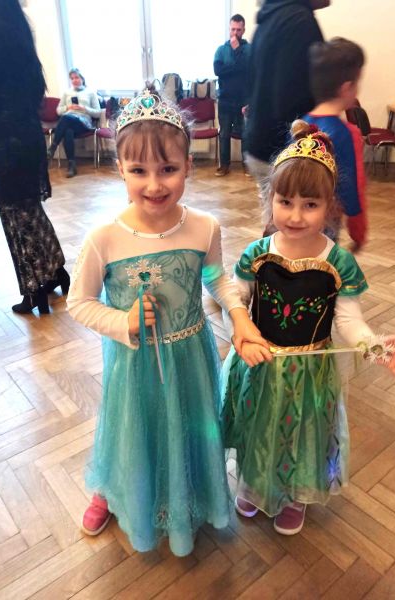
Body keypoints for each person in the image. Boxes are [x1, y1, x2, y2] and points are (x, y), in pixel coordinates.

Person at [67, 89, 268, 556]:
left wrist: (239, 318)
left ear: (189, 165)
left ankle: (189, 493)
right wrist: (123, 320)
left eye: (168, 169)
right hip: (134, 361)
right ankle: (114, 490)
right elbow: (79, 303)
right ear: (120, 168)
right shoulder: (104, 238)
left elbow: (216, 279)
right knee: (132, 429)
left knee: (189, 427)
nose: (154, 184)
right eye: (138, 170)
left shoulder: (205, 227)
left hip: (191, 355)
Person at [221, 121, 395, 536]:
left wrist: (376, 347)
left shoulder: (338, 263)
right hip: (259, 364)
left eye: (309, 204)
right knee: (257, 425)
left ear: (330, 207)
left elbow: (348, 320)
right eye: (285, 201)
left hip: (309, 371)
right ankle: (254, 483)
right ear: (270, 198)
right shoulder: (257, 254)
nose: (295, 215)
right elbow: (233, 301)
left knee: (302, 431)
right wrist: (241, 335)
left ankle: (294, 494)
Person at [0, 0, 70, 314]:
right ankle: (56, 273)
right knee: (31, 210)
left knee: (15, 218)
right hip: (28, 133)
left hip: (4, 139)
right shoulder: (18, 27)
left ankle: (34, 290)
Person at [245, 0, 330, 212]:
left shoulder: (269, 18)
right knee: (294, 223)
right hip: (282, 151)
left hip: (259, 142)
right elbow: (294, 99)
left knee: (276, 219)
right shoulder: (300, 21)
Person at [304, 37, 367, 251]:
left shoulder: (300, 126)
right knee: (323, 265)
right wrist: (358, 233)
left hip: (294, 222)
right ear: (346, 88)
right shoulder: (346, 134)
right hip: (325, 225)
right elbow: (352, 189)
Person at [213, 13, 251, 177]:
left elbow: (249, 70)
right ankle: (224, 166)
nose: (235, 33)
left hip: (244, 100)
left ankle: (247, 166)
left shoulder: (249, 50)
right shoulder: (221, 50)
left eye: (238, 30)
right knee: (224, 134)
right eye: (233, 29)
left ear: (243, 30)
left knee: (245, 134)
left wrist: (237, 51)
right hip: (225, 100)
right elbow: (218, 71)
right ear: (229, 29)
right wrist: (237, 67)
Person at [47, 68, 101, 178]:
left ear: (82, 79)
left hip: (83, 123)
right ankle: (72, 166)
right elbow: (58, 111)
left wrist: (84, 108)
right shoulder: (67, 93)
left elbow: (98, 113)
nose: (74, 80)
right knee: (68, 131)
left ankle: (53, 147)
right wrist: (68, 107)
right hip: (68, 121)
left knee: (66, 119)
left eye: (76, 77)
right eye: (72, 78)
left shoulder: (90, 93)